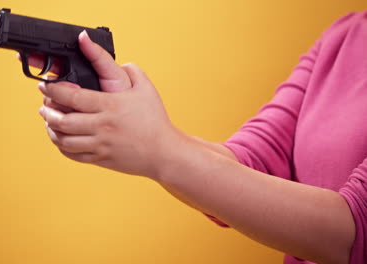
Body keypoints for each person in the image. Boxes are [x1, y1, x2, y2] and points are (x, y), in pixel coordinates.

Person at [21, 10, 366, 264]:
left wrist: (159, 149)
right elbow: (252, 162)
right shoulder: (344, 35)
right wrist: (130, 116)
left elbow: (349, 234)